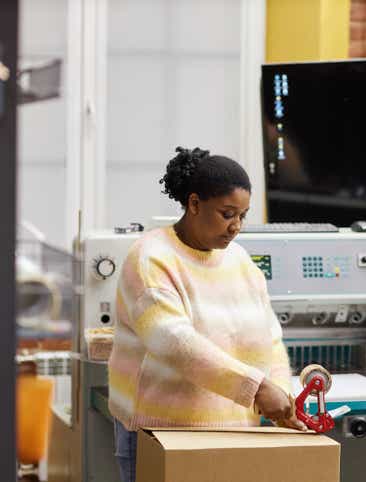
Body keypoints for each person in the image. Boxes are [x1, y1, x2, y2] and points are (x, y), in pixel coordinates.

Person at [107, 147, 304, 482]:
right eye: (227, 214)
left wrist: (283, 397)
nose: (236, 226)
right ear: (194, 204)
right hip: (162, 433)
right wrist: (257, 390)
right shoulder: (151, 258)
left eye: (243, 215)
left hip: (235, 432)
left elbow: (270, 338)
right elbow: (174, 343)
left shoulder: (240, 261)